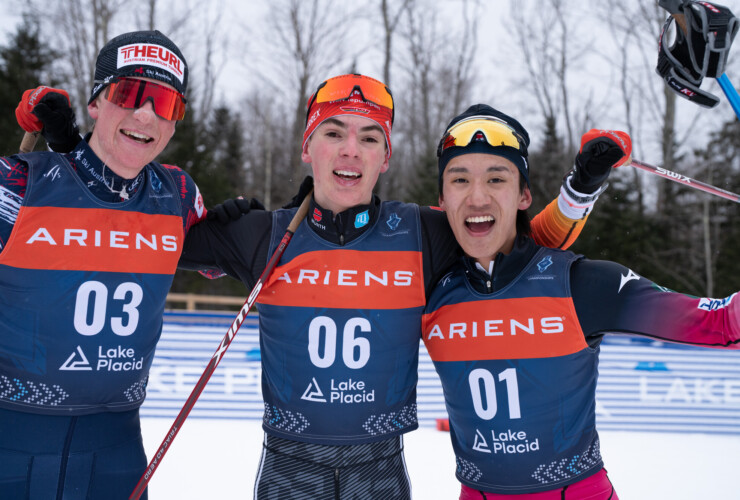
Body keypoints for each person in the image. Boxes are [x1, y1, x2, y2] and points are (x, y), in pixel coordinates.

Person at [177, 74, 630, 499]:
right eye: (334, 133)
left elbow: (527, 244)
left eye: (370, 138)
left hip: (379, 468)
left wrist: (581, 188)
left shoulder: (421, 233)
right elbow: (154, 244)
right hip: (289, 465)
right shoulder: (262, 234)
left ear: (386, 157)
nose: (351, 150)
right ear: (307, 146)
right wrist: (180, 200)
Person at [423, 103, 740, 499]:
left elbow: (724, 322)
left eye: (496, 179)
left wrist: (580, 189)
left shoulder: (579, 283)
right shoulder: (426, 284)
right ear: (441, 199)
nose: (478, 197)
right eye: (459, 179)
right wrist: (579, 191)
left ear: (524, 195)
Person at [1, 30, 207, 499]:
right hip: (11, 438)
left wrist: (272, 221)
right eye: (129, 93)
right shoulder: (16, 184)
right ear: (95, 102)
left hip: (116, 453)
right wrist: (66, 149)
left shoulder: (178, 196)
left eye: (165, 102)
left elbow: (229, 257)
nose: (145, 114)